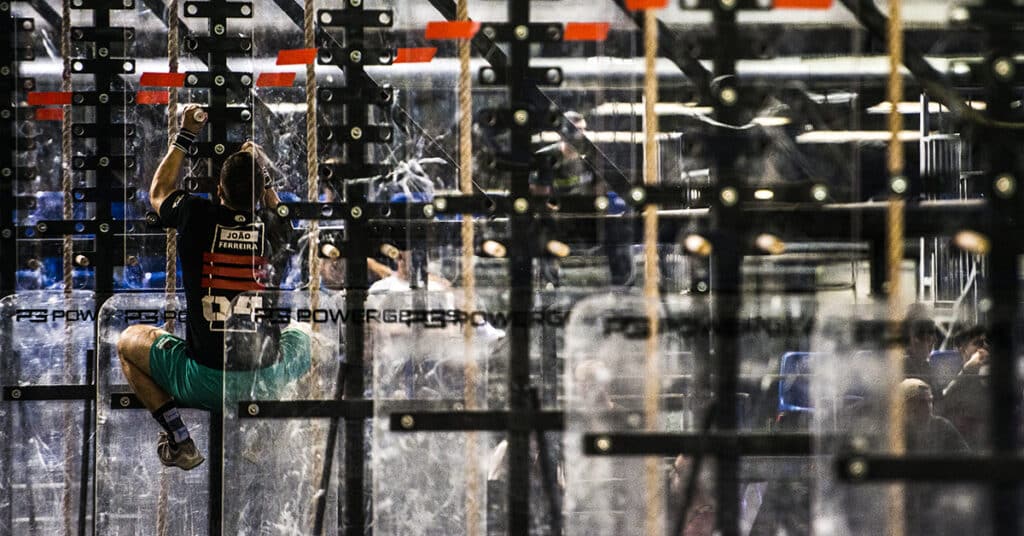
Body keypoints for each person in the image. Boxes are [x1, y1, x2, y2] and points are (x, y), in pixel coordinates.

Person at [116, 104, 310, 470]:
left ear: (218, 190)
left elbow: (158, 191)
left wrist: (186, 133)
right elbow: (275, 208)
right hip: (264, 379)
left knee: (128, 342)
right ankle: (267, 433)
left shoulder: (196, 214)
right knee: (308, 339)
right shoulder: (280, 229)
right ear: (259, 192)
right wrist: (261, 175)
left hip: (203, 380)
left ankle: (180, 439)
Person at [938, 324, 990, 449]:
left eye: (986, 343)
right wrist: (968, 370)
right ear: (962, 350)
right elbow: (942, 404)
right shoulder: (947, 374)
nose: (983, 347)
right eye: (977, 343)